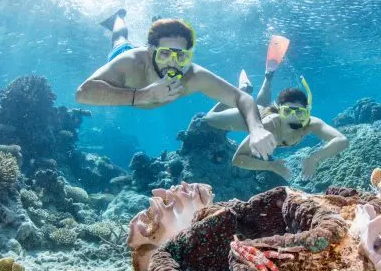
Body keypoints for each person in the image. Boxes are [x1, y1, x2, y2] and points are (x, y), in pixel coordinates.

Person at [75, 9, 276, 159]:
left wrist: (256, 129)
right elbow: (83, 93)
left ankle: (159, 25)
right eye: (165, 54)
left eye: (181, 56)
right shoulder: (131, 63)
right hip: (125, 56)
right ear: (151, 51)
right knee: (119, 39)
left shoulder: (193, 75)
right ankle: (117, 17)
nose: (173, 63)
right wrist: (144, 95)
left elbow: (242, 97)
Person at [204, 72, 349, 181]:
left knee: (261, 103)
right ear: (280, 112)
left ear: (307, 112)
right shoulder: (268, 126)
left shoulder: (311, 123)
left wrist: (314, 158)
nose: (293, 117)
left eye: (299, 112)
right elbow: (237, 159)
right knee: (209, 119)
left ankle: (268, 77)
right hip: (253, 117)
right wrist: (270, 166)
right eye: (287, 111)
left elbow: (342, 140)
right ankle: (242, 91)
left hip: (265, 109)